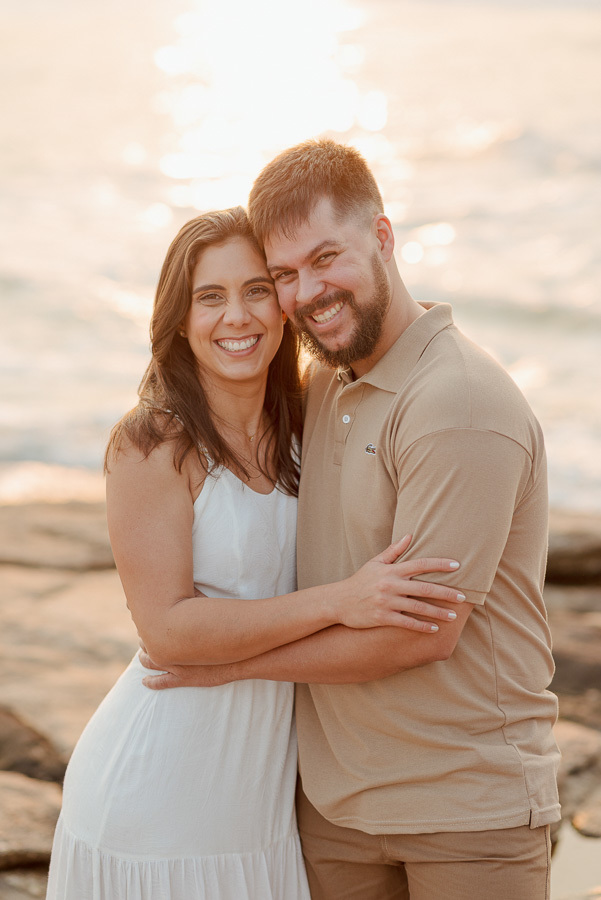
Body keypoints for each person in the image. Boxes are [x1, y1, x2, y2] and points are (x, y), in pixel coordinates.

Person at [141, 142, 561, 900]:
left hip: (463, 811)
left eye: (326, 257)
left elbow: (419, 631)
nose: (309, 291)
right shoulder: (329, 383)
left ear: (383, 237)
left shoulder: (456, 404)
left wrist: (230, 669)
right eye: (286, 276)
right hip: (333, 810)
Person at [46, 206, 467, 900]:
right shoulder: (152, 444)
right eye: (209, 297)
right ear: (178, 319)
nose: (235, 317)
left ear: (284, 307)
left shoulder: (314, 420)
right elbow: (168, 630)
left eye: (256, 290)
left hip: (267, 798)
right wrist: (340, 601)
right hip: (157, 791)